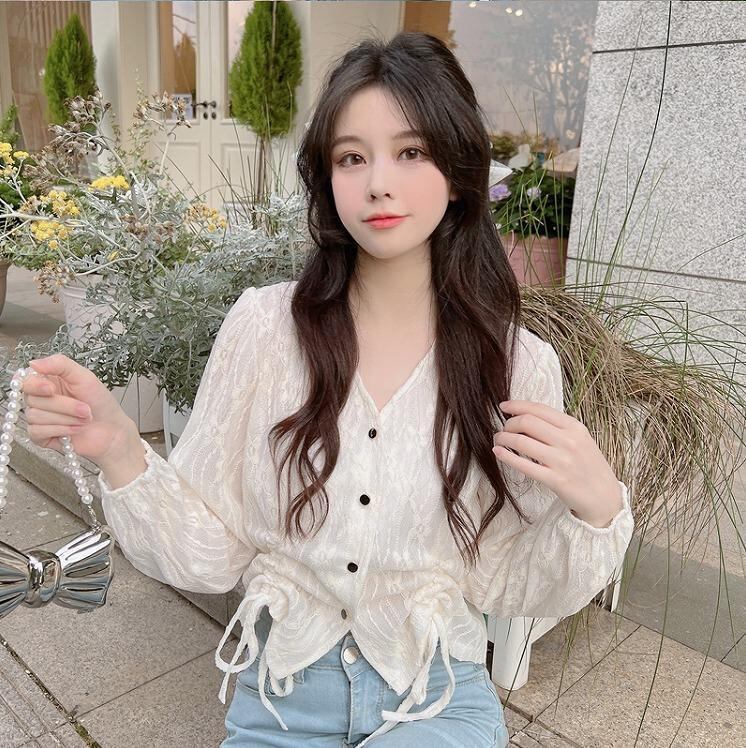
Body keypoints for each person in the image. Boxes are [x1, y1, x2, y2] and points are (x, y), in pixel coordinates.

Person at [21, 31, 634, 748]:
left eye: (411, 152)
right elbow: (212, 551)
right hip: (282, 700)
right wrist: (120, 448)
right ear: (327, 177)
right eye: (351, 157)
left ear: (459, 171)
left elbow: (506, 579)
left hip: (435, 696)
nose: (378, 183)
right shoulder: (263, 330)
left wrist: (597, 510)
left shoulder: (516, 363)